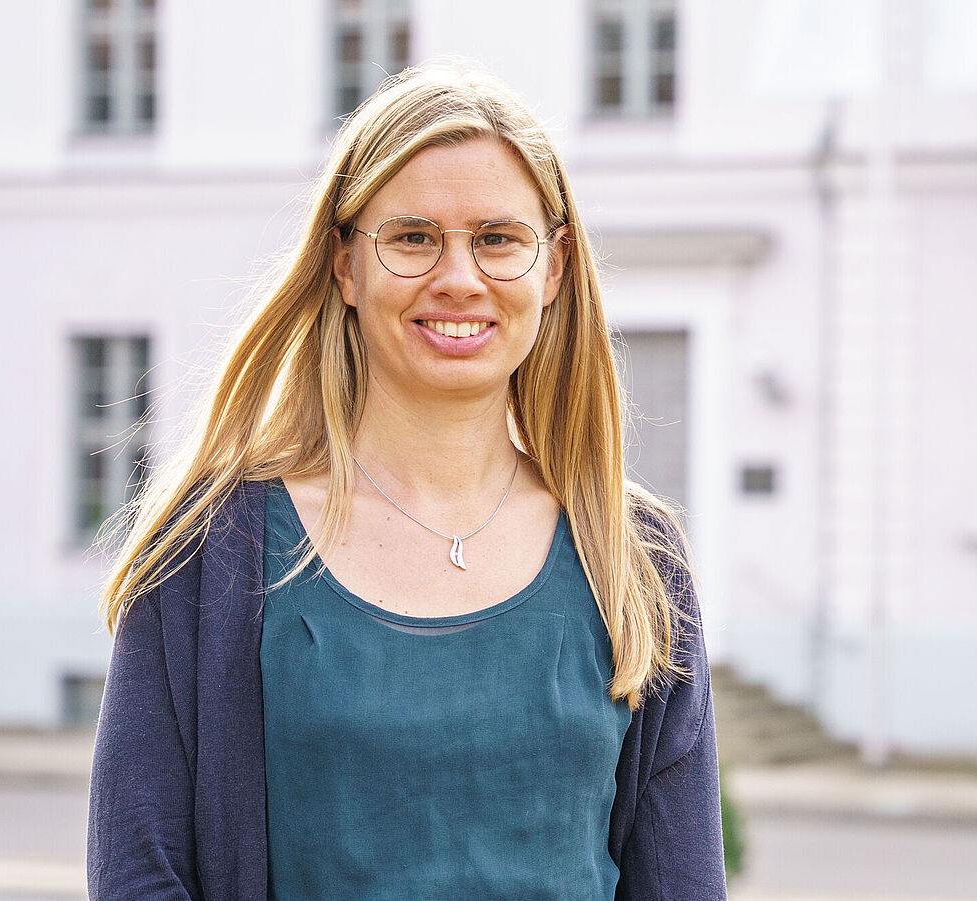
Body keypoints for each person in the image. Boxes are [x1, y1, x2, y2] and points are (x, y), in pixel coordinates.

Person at [88, 62, 725, 900]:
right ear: (346, 266)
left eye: (498, 239)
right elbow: (141, 874)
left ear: (555, 268)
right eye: (414, 237)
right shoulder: (210, 551)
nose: (458, 277)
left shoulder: (635, 557)